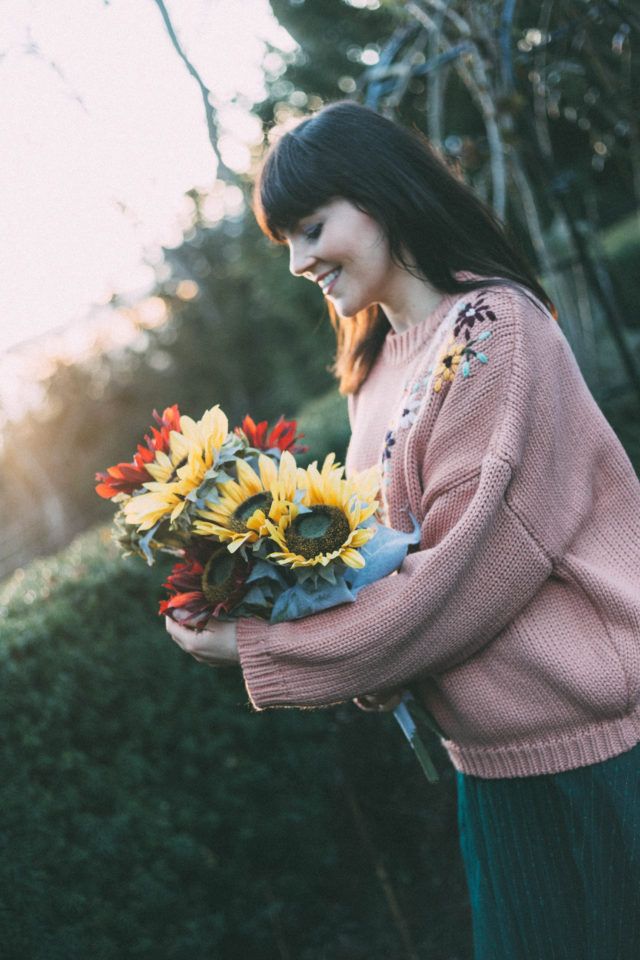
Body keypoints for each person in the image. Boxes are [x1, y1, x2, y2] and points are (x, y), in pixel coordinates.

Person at [166, 101, 640, 958]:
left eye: (311, 228)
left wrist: (257, 649)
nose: (299, 261)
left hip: (601, 755)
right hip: (493, 768)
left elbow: (462, 577)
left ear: (381, 195)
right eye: (285, 241)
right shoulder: (374, 369)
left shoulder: (495, 333)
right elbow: (386, 571)